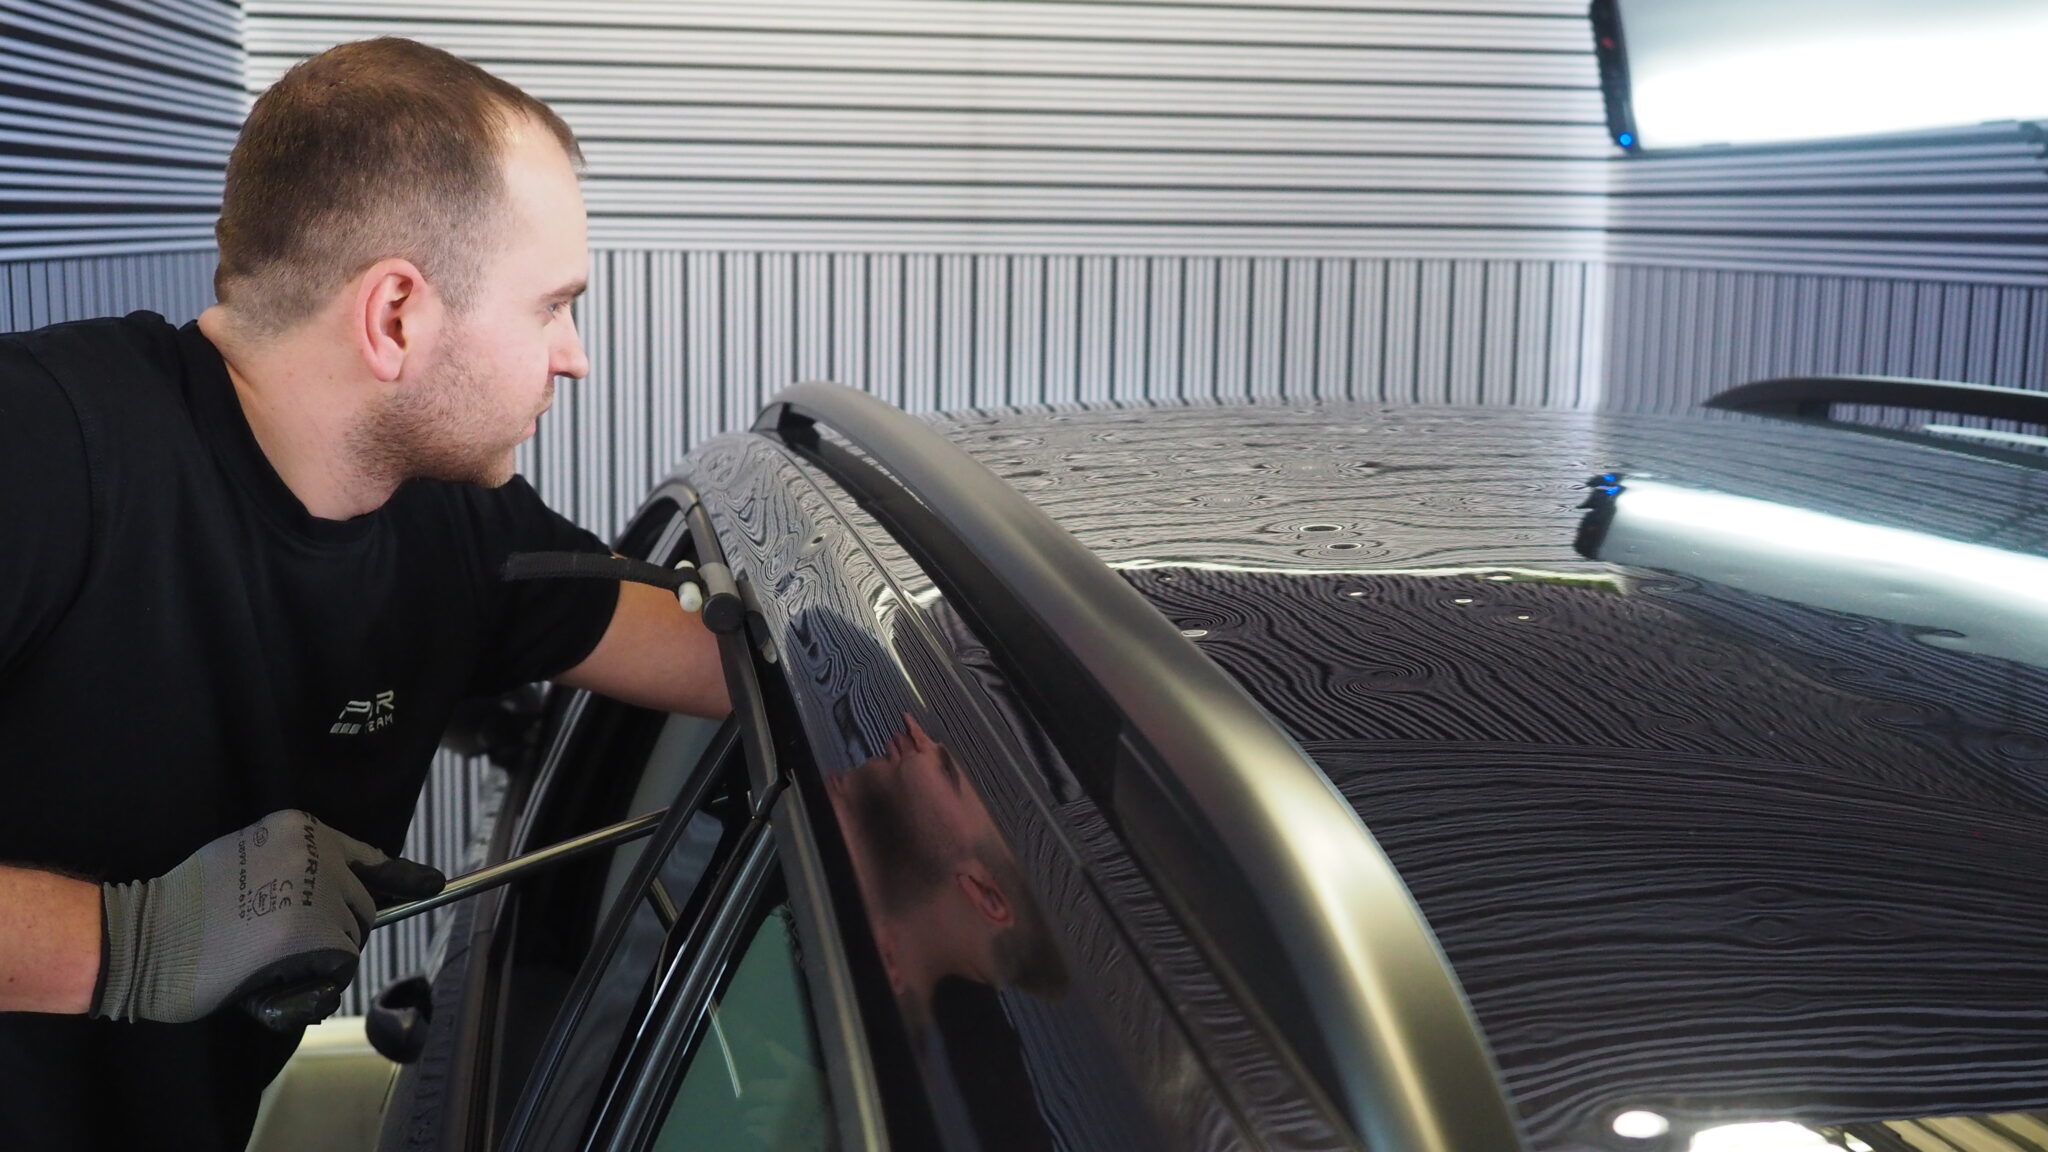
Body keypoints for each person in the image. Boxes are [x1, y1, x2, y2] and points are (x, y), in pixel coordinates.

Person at [0, 38, 729, 1150]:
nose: (572, 356)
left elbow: (731, 660)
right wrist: (129, 942)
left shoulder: (452, 525)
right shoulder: (45, 451)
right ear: (395, 316)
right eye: (551, 306)